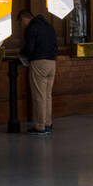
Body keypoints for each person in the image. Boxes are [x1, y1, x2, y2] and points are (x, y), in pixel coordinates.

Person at [18, 8, 57, 136]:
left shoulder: (31, 28)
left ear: (24, 18)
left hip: (39, 63)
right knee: (47, 96)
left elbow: (30, 48)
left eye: (21, 22)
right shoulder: (49, 27)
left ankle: (40, 127)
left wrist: (22, 53)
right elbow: (55, 46)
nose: (22, 25)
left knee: (39, 96)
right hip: (52, 63)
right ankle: (47, 123)